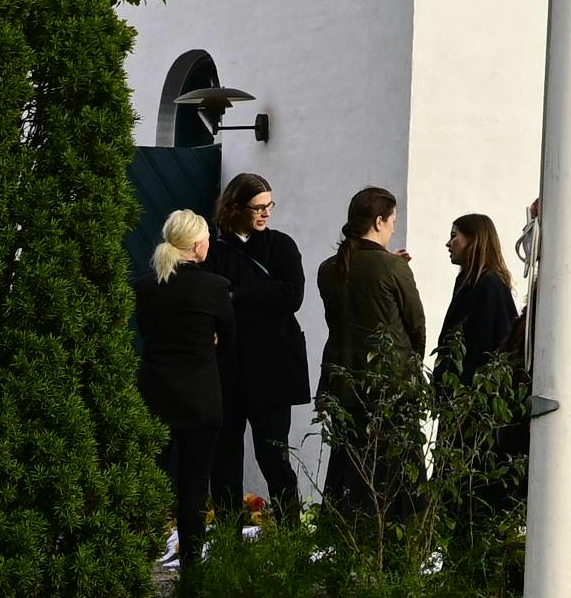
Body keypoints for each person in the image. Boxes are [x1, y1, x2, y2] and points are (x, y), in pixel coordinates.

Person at [317, 187, 426, 535]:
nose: (394, 227)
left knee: (349, 464)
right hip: (390, 382)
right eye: (392, 221)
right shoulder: (392, 267)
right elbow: (415, 325)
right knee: (398, 467)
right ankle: (401, 542)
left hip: (342, 378)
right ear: (379, 221)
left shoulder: (328, 268)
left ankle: (345, 539)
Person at [136, 206, 234, 581]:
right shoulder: (214, 287)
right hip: (199, 398)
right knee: (193, 486)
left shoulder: (146, 286)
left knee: (148, 481)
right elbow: (230, 342)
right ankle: (192, 573)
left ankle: (136, 562)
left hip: (155, 394)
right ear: (197, 245)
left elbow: (148, 333)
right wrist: (208, 345)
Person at [215, 173, 311, 529]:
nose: (266, 213)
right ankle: (228, 536)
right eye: (258, 207)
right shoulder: (217, 250)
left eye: (269, 205)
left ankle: (290, 533)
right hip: (231, 368)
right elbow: (215, 300)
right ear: (236, 208)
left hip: (272, 372)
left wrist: (239, 295)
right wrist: (262, 296)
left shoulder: (281, 246)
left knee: (274, 456)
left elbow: (293, 296)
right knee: (225, 458)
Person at [439, 211, 521, 382]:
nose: (448, 243)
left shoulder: (490, 284)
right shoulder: (467, 282)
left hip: (474, 391)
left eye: (454, 236)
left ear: (473, 239)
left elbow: (488, 344)